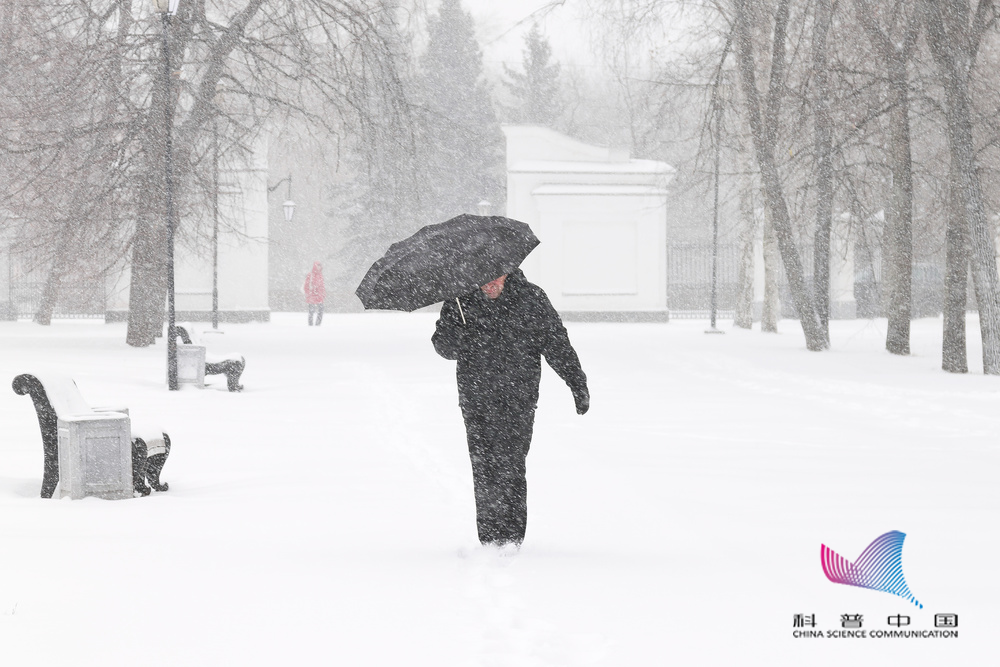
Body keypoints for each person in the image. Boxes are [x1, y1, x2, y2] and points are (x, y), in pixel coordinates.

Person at [432, 268, 589, 549]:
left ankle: (512, 537)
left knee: (511, 464)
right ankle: (490, 539)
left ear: (508, 273)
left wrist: (577, 383)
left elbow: (557, 343)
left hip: (518, 397)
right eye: (483, 277)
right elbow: (444, 348)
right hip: (475, 397)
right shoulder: (460, 300)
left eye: (496, 277)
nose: (489, 283)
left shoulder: (531, 298)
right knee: (484, 466)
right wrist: (455, 331)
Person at [304, 261, 325, 326]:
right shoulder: (310, 275)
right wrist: (309, 293)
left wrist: (323, 294)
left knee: (321, 310)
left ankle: (317, 325)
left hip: (319, 296)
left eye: (320, 265)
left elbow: (322, 286)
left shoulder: (321, 275)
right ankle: (310, 325)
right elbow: (306, 285)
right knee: (311, 311)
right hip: (312, 296)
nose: (319, 267)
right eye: (318, 265)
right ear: (315, 266)